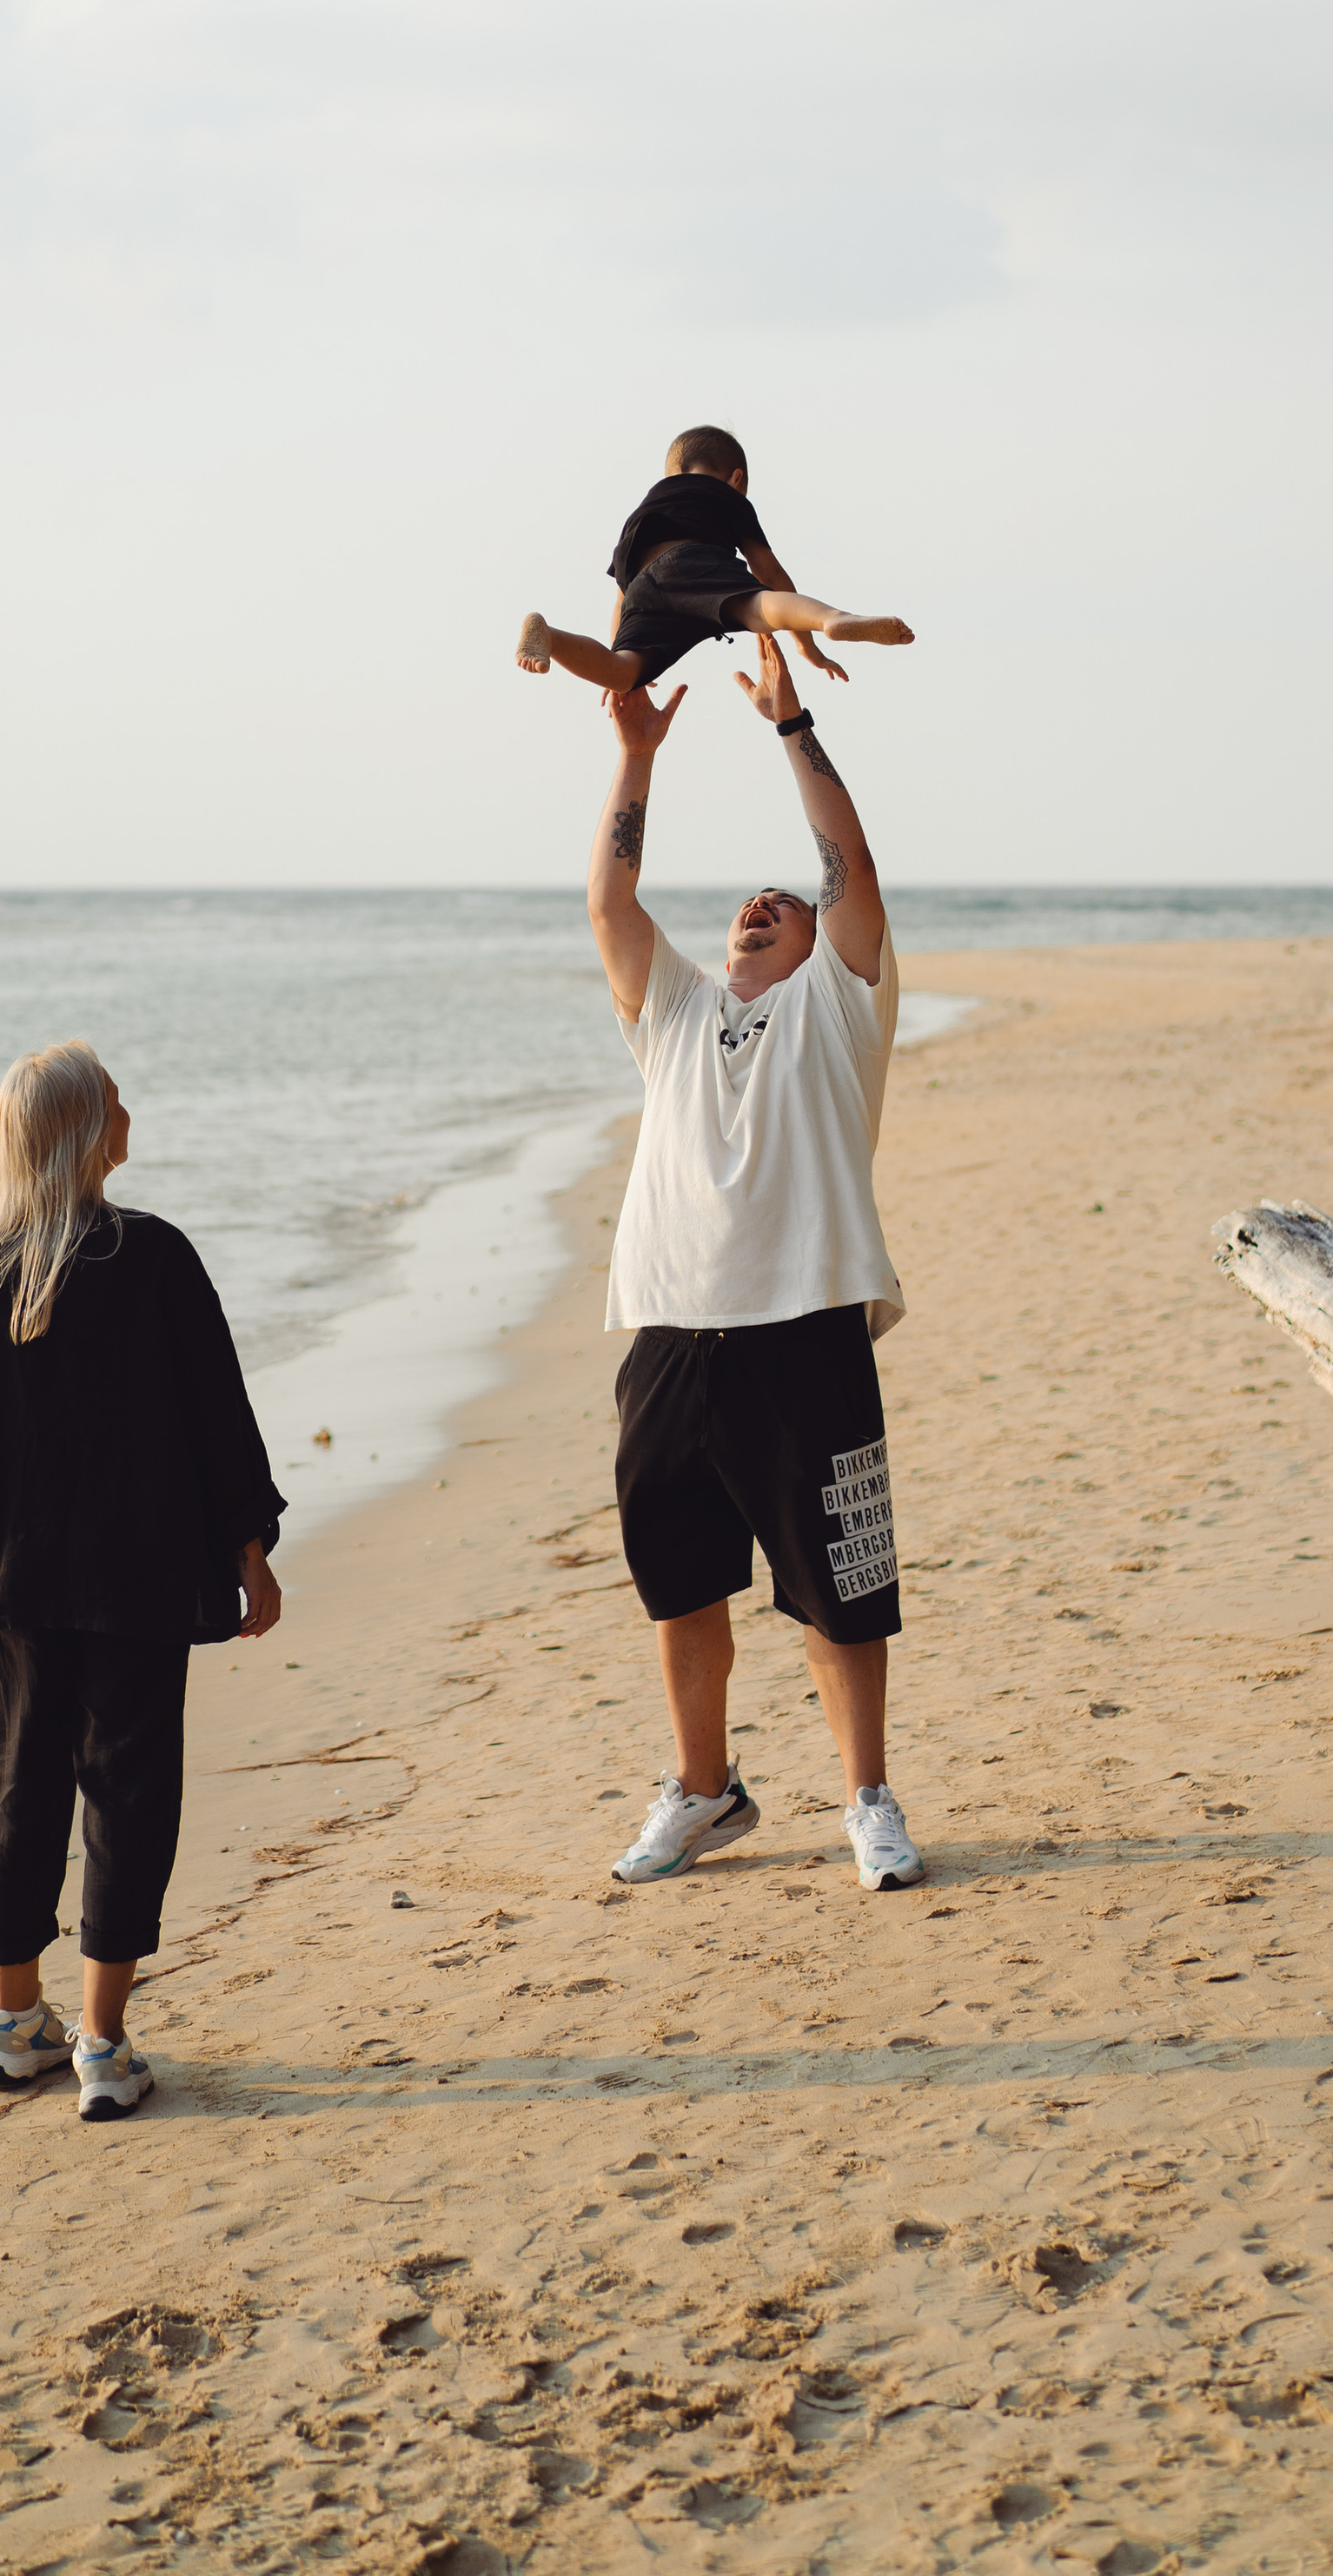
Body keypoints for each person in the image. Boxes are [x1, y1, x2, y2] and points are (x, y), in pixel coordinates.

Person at [0, 1039, 286, 2121]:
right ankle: (103, 2047)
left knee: (19, 1792)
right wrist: (249, 1545)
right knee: (128, 1795)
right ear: (76, 1132)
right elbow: (218, 1419)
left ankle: (15, 2028)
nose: (129, 1112)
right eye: (113, 1100)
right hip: (142, 1581)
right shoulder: (153, 1257)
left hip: (17, 1584)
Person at [589, 630, 924, 1893]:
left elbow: (854, 875)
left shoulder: (838, 1009)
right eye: (746, 905)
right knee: (680, 1586)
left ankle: (870, 1800)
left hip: (809, 1331)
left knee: (842, 1592)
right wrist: (636, 761)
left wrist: (792, 728)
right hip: (671, 1334)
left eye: (778, 907)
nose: (756, 908)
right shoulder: (673, 1015)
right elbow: (613, 907)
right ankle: (704, 1789)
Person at [518, 422, 913, 696]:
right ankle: (835, 619)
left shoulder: (640, 511)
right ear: (735, 478)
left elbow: (621, 596)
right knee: (759, 607)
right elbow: (769, 571)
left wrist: (615, 648)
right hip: (693, 563)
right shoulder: (720, 494)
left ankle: (550, 637)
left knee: (622, 674)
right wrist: (806, 643)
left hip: (643, 590)